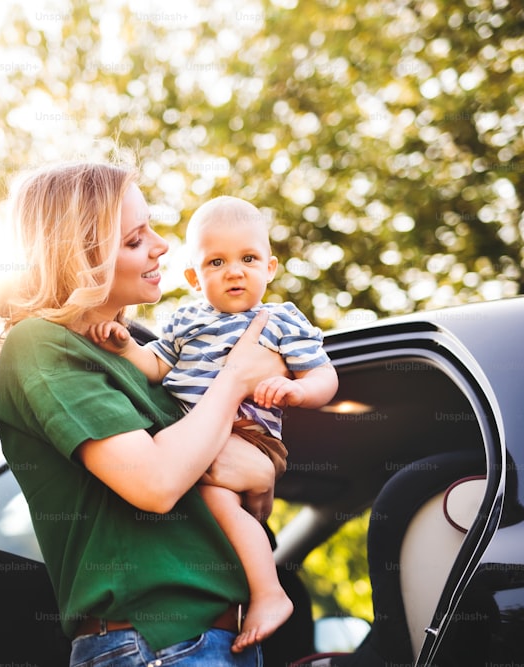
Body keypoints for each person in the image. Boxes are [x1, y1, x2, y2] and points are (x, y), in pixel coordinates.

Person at [0, 162, 292, 665]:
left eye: (150, 228)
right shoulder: (40, 345)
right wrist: (238, 375)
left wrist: (253, 467)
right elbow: (155, 482)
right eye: (134, 240)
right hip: (153, 643)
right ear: (79, 259)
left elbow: (250, 476)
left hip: (218, 641)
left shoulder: (143, 358)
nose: (161, 245)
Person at [86, 195, 339, 651]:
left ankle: (269, 594)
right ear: (193, 277)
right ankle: (246, 590)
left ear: (271, 267)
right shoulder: (185, 321)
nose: (235, 271)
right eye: (217, 262)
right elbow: (156, 367)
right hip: (196, 430)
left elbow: (323, 375)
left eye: (248, 259)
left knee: (218, 503)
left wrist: (298, 391)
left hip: (249, 434)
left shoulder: (279, 321)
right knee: (210, 509)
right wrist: (124, 347)